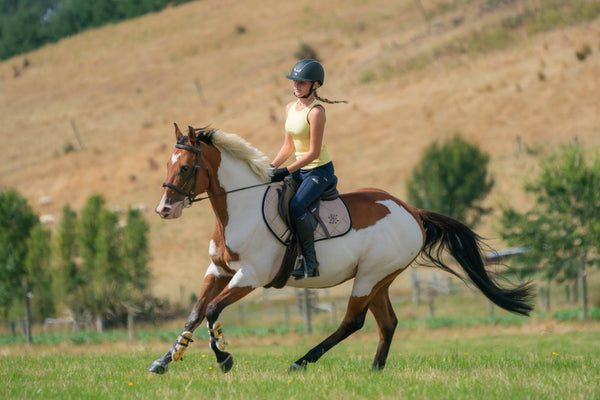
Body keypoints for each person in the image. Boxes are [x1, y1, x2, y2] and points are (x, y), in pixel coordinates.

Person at [270, 59, 346, 279]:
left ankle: (310, 263)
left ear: (315, 85)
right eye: (294, 81)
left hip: (319, 171)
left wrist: (285, 171)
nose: (296, 85)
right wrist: (271, 167)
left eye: (302, 82)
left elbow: (312, 153)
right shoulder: (289, 108)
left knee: (296, 206)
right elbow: (288, 146)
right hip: (301, 169)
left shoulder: (316, 113)